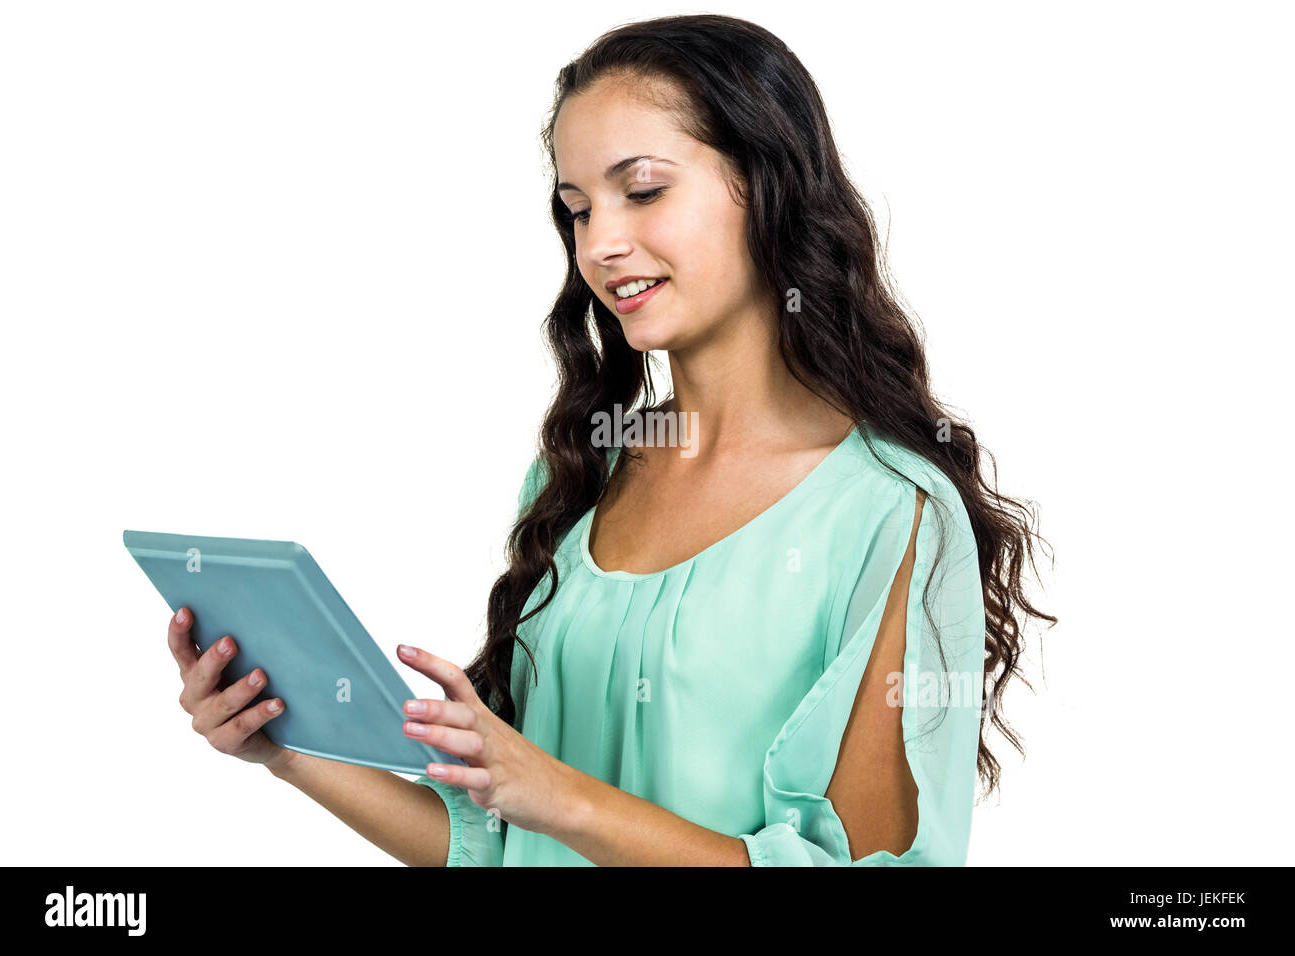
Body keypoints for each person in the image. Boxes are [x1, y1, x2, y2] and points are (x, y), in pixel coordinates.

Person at [167, 13, 1054, 867]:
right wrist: (286, 749)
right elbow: (504, 844)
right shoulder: (584, 477)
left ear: (770, 184)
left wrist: (559, 795)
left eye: (644, 190)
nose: (602, 244)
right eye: (578, 209)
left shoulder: (886, 512)